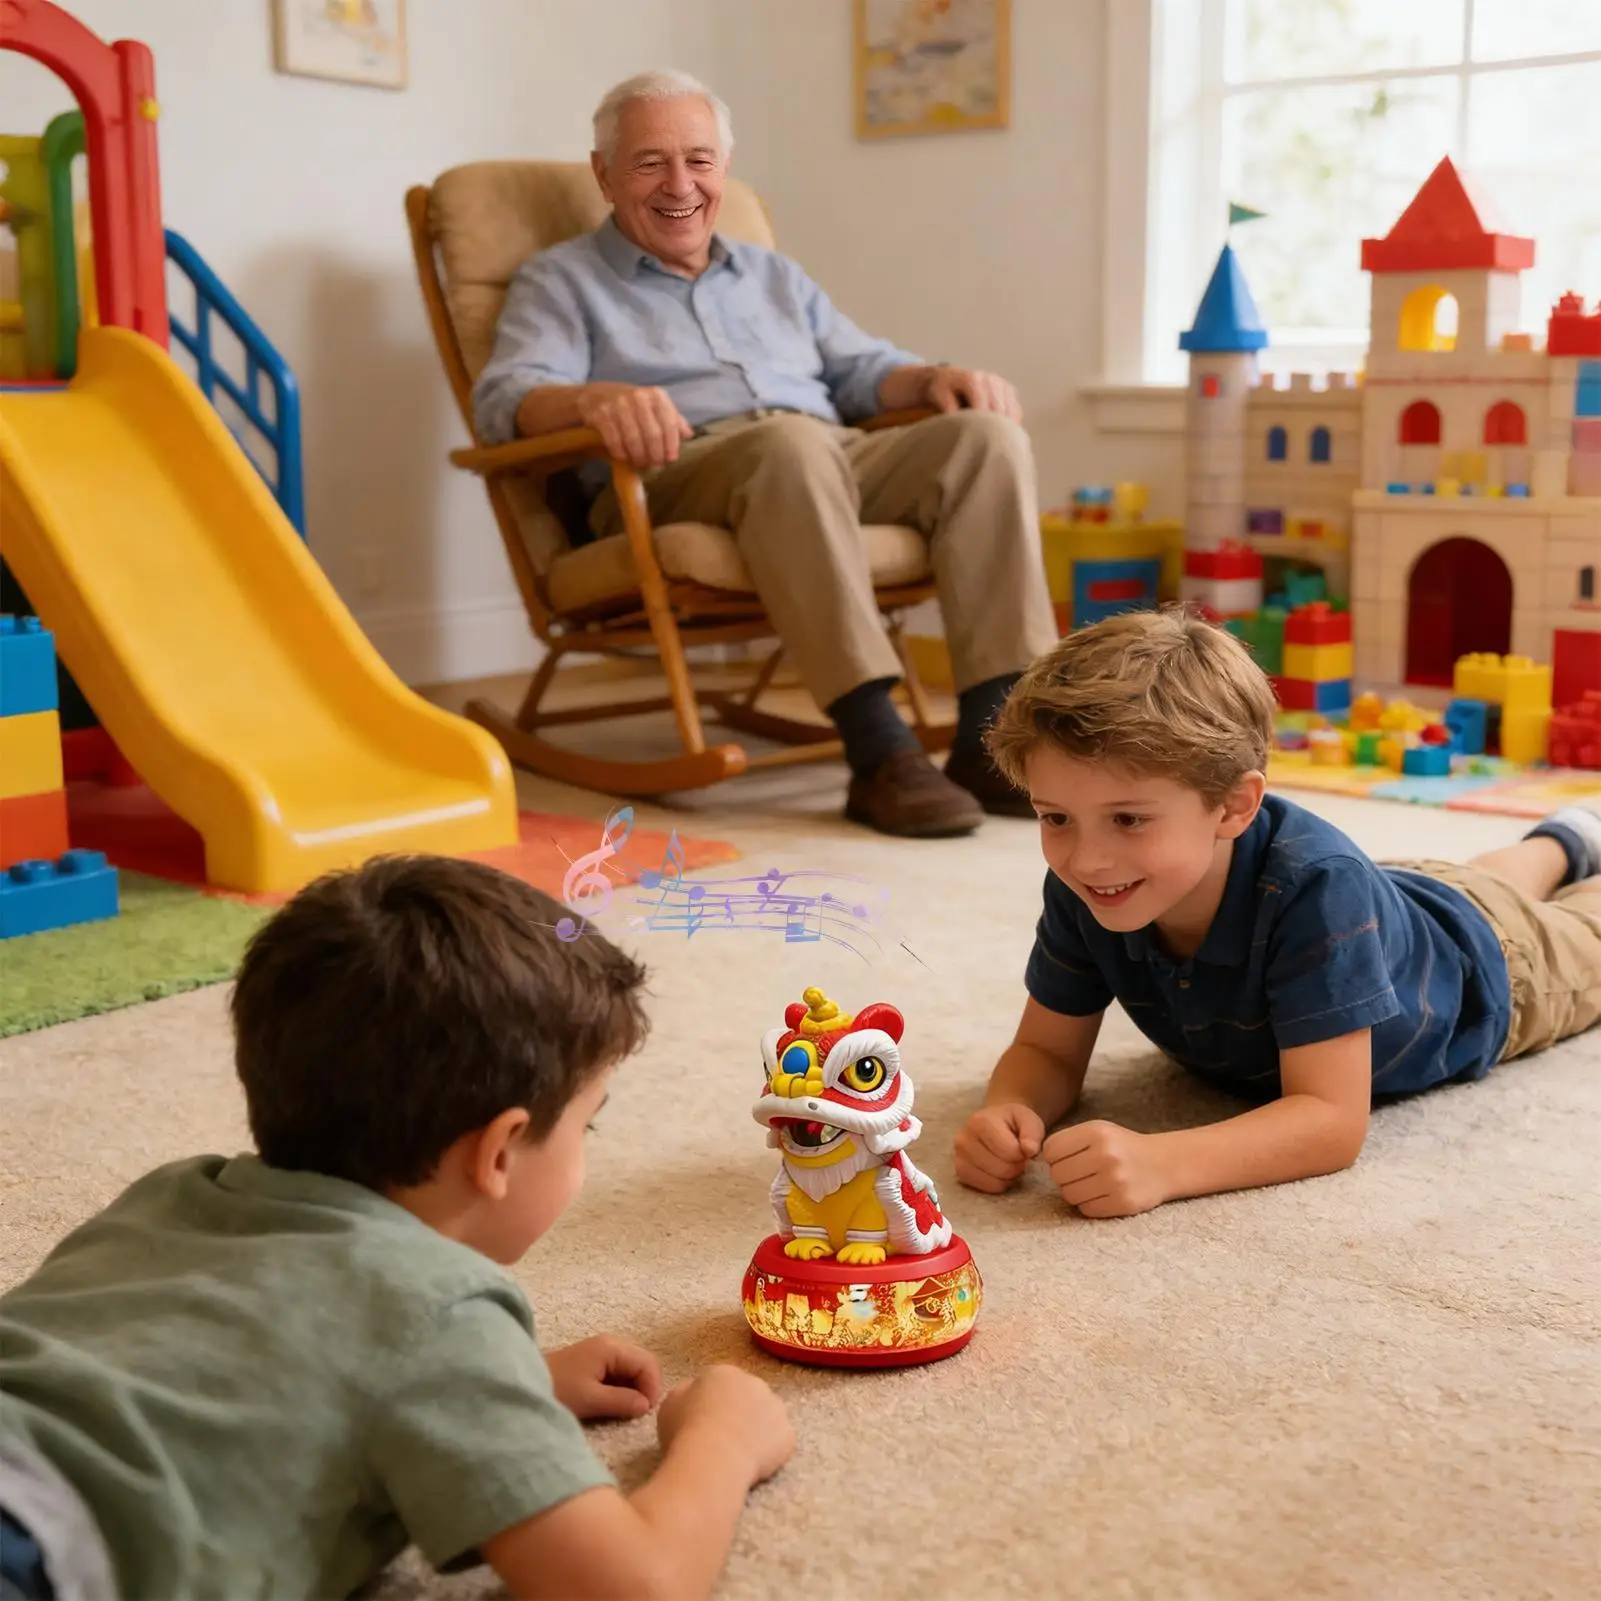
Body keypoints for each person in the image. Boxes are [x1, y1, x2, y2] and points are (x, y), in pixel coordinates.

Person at [0, 857, 793, 1601]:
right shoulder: (437, 1315)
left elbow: (202, 1367)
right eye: (588, 1125)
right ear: (499, 1151)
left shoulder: (176, 1195)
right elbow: (630, 1585)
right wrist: (721, 1441)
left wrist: (506, 1389)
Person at [473, 69, 1058, 839]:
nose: (680, 183)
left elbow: (861, 370)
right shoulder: (561, 280)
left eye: (700, 159)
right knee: (790, 443)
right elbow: (506, 394)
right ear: (604, 174)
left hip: (824, 453)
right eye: (650, 161)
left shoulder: (772, 274)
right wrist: (591, 400)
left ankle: (992, 737)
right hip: (675, 472)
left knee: (984, 438)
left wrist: (935, 376)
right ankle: (878, 748)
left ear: (724, 168)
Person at [952, 608, 1601, 1217]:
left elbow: (1329, 1119)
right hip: (1406, 895)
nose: (1086, 858)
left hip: (1497, 968)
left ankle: (1566, 846)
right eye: (1055, 818)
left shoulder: (1316, 890)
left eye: (1127, 818)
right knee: (1478, 879)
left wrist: (1162, 1161)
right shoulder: (1089, 886)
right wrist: (1011, 1107)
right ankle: (1564, 839)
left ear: (1234, 806)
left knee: (1547, 917)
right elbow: (1045, 1048)